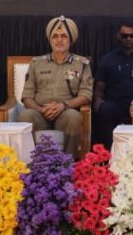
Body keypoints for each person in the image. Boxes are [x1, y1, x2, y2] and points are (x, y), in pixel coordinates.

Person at [17, 16, 93, 158]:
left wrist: (63, 106)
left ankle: (67, 163)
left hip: (65, 113)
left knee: (73, 117)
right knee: (25, 115)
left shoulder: (81, 64)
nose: (59, 40)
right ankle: (31, 164)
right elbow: (27, 96)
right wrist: (41, 109)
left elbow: (86, 95)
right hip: (40, 113)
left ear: (70, 40)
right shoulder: (36, 63)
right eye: (55, 36)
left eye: (63, 36)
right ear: (50, 40)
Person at [93, 23, 133, 149]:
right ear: (118, 36)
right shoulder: (107, 59)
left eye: (132, 35)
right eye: (124, 36)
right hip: (114, 104)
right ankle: (108, 154)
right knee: (105, 110)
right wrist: (98, 101)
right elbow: (99, 87)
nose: (128, 39)